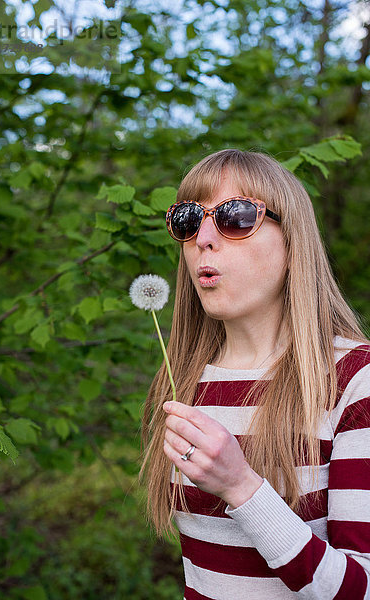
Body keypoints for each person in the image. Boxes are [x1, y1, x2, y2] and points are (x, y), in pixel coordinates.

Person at [140, 149, 370, 599]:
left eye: (236, 216)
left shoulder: (354, 381)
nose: (204, 237)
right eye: (188, 219)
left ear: (292, 242)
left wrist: (241, 487)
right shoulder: (184, 382)